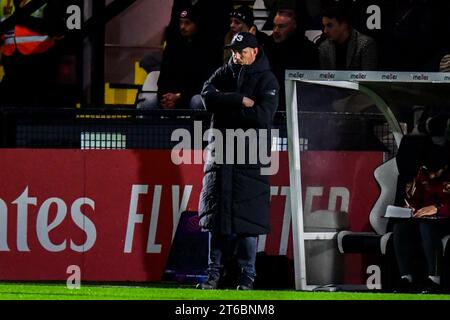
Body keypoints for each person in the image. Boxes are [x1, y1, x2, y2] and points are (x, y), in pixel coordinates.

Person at [196, 32, 279, 290]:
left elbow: (262, 116)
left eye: (241, 51)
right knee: (217, 221)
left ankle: (247, 277)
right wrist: (238, 100)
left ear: (254, 51)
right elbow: (206, 97)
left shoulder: (268, 79)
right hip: (221, 156)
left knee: (247, 224)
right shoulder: (225, 72)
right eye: (233, 50)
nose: (236, 55)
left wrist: (226, 109)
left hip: (248, 159)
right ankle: (212, 276)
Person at [393, 143, 450, 293]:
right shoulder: (423, 172)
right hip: (425, 218)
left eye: (434, 172)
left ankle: (434, 280)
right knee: (400, 228)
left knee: (428, 228)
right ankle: (406, 279)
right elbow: (415, 199)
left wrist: (439, 208)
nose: (430, 176)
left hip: (446, 219)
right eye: (427, 171)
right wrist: (410, 206)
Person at [153, 6, 223, 109]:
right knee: (148, 103)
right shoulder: (172, 48)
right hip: (172, 98)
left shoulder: (208, 49)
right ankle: (157, 126)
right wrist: (165, 97)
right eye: (180, 22)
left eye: (187, 23)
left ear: (197, 24)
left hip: (189, 97)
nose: (182, 27)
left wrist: (179, 97)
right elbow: (163, 78)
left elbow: (204, 83)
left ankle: (198, 126)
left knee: (197, 101)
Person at [0, 0, 65, 107]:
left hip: (40, 62)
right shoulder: (4, 2)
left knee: (39, 108)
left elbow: (56, 28)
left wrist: (22, 19)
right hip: (12, 63)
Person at [265, 9, 318, 111]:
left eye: (281, 26)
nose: (275, 30)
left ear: (294, 26)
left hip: (299, 105)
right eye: (274, 25)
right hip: (271, 104)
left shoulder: (308, 50)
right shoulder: (267, 46)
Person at [318, 4, 377, 70]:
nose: (325, 31)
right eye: (324, 26)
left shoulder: (365, 44)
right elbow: (324, 77)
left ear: (344, 25)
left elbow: (368, 76)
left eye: (329, 25)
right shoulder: (324, 47)